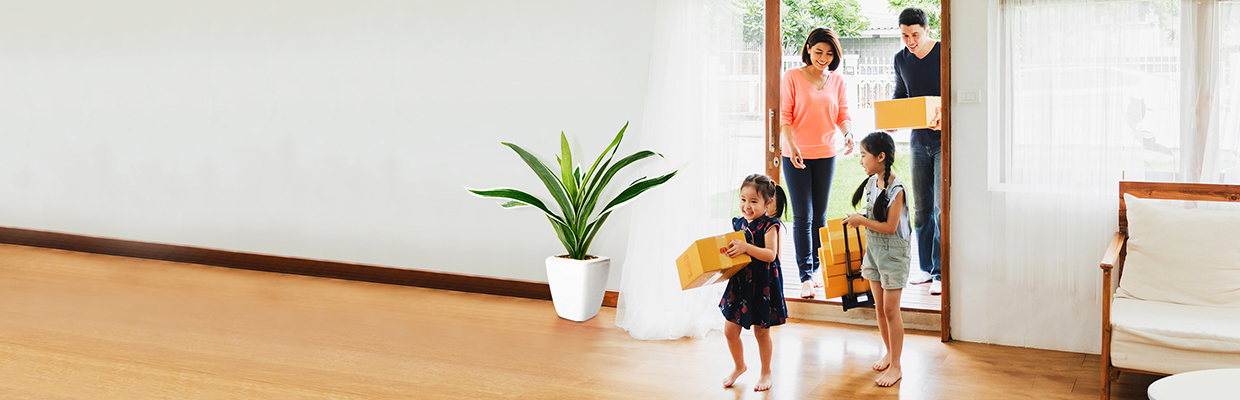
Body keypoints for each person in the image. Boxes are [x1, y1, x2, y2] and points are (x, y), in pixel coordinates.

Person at [780, 27, 855, 299]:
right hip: (796, 154)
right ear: (808, 49)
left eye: (829, 53)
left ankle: (817, 267)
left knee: (820, 216)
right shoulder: (792, 77)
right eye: (818, 52)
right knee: (803, 215)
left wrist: (848, 134)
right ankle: (805, 276)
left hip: (826, 153)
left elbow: (842, 113)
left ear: (835, 55)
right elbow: (785, 116)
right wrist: (793, 145)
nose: (823, 58)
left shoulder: (836, 81)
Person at [844, 131, 911, 387]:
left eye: (864, 155)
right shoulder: (872, 182)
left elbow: (891, 227)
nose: (861, 160)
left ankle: (897, 366)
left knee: (891, 310)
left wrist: (861, 221)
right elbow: (874, 216)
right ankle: (890, 353)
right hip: (873, 251)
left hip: (894, 255)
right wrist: (858, 217)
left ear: (880, 157)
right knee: (880, 308)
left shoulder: (897, 189)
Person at [719, 174, 788, 392]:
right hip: (741, 283)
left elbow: (770, 255)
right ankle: (740, 366)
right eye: (743, 199)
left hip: (763, 284)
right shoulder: (738, 222)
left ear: (768, 203)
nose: (746, 206)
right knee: (730, 330)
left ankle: (766, 372)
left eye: (753, 201)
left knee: (761, 332)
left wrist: (746, 248)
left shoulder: (770, 226)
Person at [892, 7, 943, 295]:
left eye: (914, 34)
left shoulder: (943, 51)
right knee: (921, 210)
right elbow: (901, 95)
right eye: (904, 36)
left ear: (926, 30)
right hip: (918, 143)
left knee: (938, 208)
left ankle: (939, 272)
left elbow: (953, 91)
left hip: (942, 142)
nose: (910, 41)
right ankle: (924, 269)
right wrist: (893, 119)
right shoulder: (901, 59)